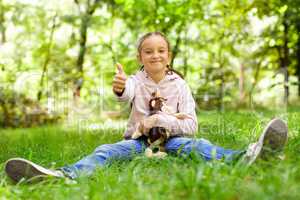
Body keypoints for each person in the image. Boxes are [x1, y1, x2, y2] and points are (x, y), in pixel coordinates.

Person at [4, 32, 288, 183]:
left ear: (168, 56)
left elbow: (191, 125)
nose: (155, 55)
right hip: (139, 143)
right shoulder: (135, 81)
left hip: (175, 142)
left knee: (199, 145)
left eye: (160, 51)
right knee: (106, 151)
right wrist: (119, 87)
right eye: (148, 51)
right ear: (140, 56)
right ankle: (62, 176)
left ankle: (247, 157)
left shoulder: (180, 85)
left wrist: (164, 120)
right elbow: (124, 94)